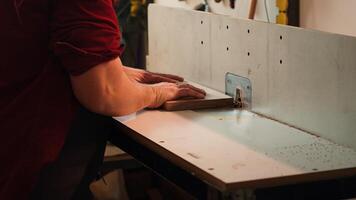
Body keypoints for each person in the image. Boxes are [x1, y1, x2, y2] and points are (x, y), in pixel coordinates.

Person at [0, 0, 206, 199]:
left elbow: (36, 45)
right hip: (34, 163)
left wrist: (114, 70)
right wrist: (156, 93)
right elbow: (106, 93)